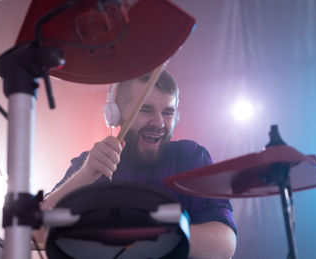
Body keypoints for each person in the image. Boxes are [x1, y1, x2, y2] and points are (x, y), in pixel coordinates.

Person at [41, 70, 237, 259]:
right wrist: (83, 176)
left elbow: (224, 245)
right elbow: (37, 231)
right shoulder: (90, 164)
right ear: (115, 115)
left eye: (168, 112)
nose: (159, 123)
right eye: (145, 109)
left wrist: (155, 230)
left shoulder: (190, 157)